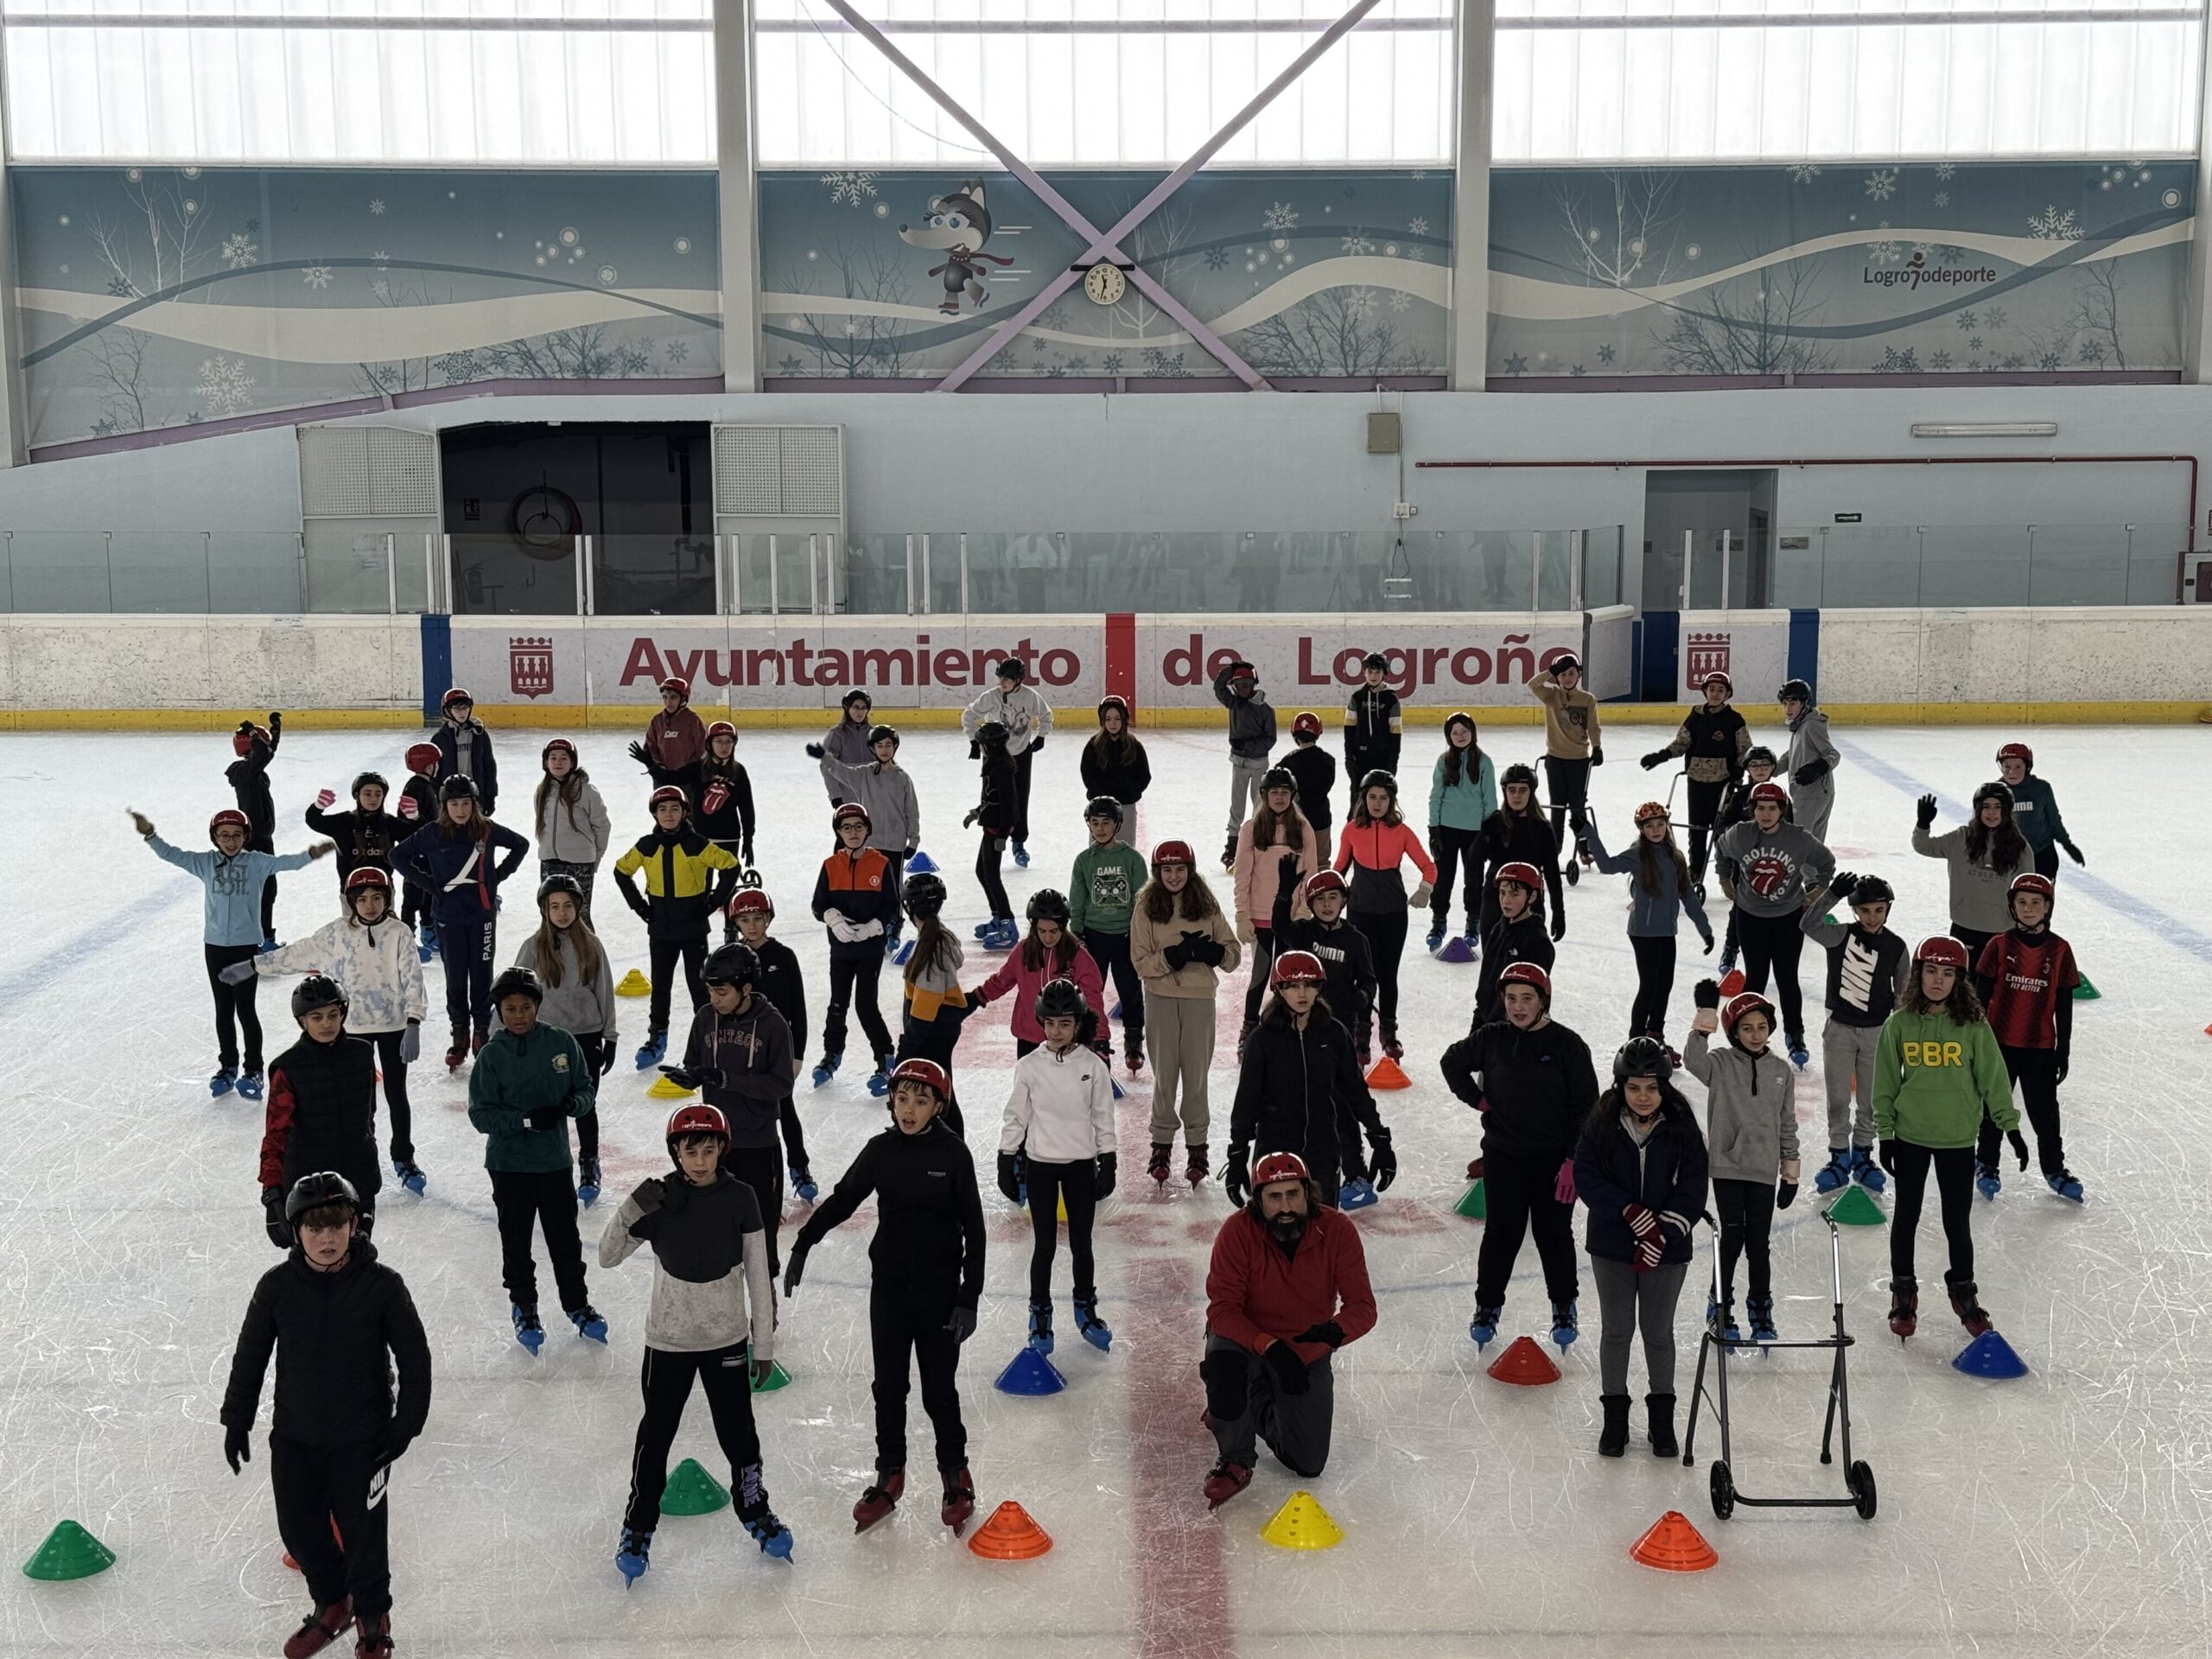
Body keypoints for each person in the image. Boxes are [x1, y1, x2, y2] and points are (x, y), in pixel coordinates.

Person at [220, 1171, 430, 1659]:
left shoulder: (382, 1286)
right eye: (315, 1227)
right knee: (299, 1530)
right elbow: (250, 1356)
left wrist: (404, 1427)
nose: (327, 1237)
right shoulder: (276, 1288)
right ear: (296, 1232)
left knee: (364, 1538)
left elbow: (415, 1360)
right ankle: (334, 1603)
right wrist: (237, 1419)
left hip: (362, 1440)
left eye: (337, 1225)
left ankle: (373, 1618)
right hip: (296, 1436)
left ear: (354, 1226)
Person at [785, 1058, 986, 1539]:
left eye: (921, 1101)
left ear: (939, 1106)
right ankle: (889, 1476)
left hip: (940, 1296)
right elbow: (843, 1199)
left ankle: (955, 1476)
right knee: (889, 1388)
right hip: (890, 1292)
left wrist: (969, 1298)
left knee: (939, 1391)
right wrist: (804, 1242)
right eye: (902, 1099)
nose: (909, 1109)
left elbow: (975, 1231)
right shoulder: (881, 1151)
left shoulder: (954, 1155)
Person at [599, 1102, 790, 1581]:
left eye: (708, 1150)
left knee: (740, 1436)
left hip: (726, 1340)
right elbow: (607, 1256)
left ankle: (755, 1510)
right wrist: (631, 1207)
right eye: (690, 1152)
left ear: (722, 1150)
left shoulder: (741, 1197)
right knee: (656, 1437)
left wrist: (763, 1345)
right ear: (676, 1154)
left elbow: (758, 1274)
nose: (700, 1161)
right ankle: (638, 1526)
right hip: (668, 1342)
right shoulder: (659, 1199)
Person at [1198, 1150, 1377, 1510]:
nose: (1285, 1207)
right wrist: (1269, 1346)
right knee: (1223, 1366)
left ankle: (1244, 1404)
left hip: (1305, 1347)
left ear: (1308, 1193)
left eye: (1293, 1194)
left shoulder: (1337, 1230)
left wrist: (1332, 1334)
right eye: (1274, 1197)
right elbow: (1223, 1309)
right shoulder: (1237, 1231)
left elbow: (1362, 1307)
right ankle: (1236, 1459)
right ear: (1258, 1200)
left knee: (1308, 1462)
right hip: (1246, 1339)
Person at [1440, 963, 1599, 1350]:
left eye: (1527, 998)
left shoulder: (1567, 1045)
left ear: (1543, 1001)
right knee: (1501, 1235)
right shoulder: (1492, 1037)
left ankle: (1564, 1306)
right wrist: (1478, 1100)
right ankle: (1487, 1307)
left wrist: (1572, 1160)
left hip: (1553, 1163)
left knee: (1554, 1235)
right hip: (1504, 1157)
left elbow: (1586, 1106)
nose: (1518, 1006)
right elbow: (1451, 1062)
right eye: (1511, 998)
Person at [242, 867, 429, 1193]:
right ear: (351, 901)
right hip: (352, 1028)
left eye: (377, 898)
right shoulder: (337, 934)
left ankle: (403, 1156)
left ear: (387, 899)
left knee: (397, 1094)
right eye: (362, 899)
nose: (369, 905)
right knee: (361, 1101)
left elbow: (413, 977)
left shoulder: (399, 933)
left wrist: (413, 1022)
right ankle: (363, 1152)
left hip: (393, 1026)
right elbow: (298, 953)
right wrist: (254, 965)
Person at [1872, 936, 2016, 1340]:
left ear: (1959, 980)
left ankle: (1964, 1293)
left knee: (1957, 1221)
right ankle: (1903, 1291)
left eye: (1948, 973)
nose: (1938, 980)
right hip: (1911, 1136)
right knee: (1907, 1216)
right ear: (1918, 975)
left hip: (1957, 1137)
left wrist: (2009, 1125)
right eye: (1931, 971)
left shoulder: (1973, 1026)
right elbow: (1884, 1083)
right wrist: (1886, 1135)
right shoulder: (1899, 1024)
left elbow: (1993, 1078)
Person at [133, 806, 330, 1100]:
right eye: (224, 835)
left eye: (236, 835)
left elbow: (285, 863)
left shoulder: (256, 863)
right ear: (215, 837)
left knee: (245, 1009)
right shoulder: (205, 863)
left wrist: (310, 854)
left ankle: (253, 1070)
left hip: (245, 947)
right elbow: (172, 854)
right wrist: (150, 835)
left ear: (245, 837)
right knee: (223, 1009)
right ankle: (227, 1066)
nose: (230, 841)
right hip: (214, 946)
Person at [1572, 1039, 1709, 1460]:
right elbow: (1587, 1176)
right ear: (1621, 1087)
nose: (1643, 1097)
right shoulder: (1601, 1124)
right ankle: (1614, 1420)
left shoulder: (1683, 1128)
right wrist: (1628, 1211)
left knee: (1658, 1332)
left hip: (1668, 1250)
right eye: (1633, 1088)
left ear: (1665, 1087)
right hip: (1612, 1246)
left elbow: (1693, 1188)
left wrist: (1661, 1233)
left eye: (1651, 1088)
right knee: (1616, 1331)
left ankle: (1661, 1422)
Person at [467, 966, 604, 1351]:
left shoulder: (560, 1043)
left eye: (525, 1007)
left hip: (554, 1162)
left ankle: (577, 1304)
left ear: (537, 1006)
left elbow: (585, 1089)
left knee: (566, 1241)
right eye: (510, 1009)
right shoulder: (492, 1056)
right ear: (499, 1011)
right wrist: (524, 1120)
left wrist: (574, 1104)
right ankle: (524, 1306)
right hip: (509, 1166)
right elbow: (481, 1115)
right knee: (517, 1242)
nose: (519, 1016)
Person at [996, 979, 1118, 1355]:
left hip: (1080, 1165)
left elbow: (1103, 1116)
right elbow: (1016, 1116)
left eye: (1065, 1023)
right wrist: (1006, 1158)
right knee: (1044, 1244)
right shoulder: (1029, 1067)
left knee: (1082, 1242)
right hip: (1041, 1168)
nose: (1056, 1031)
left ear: (1077, 1024)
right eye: (1050, 1023)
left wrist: (1108, 1159)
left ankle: (1086, 1309)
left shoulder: (1093, 1066)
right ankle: (1040, 1314)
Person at [661, 941, 798, 1274]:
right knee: (716, 1232)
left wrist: (726, 1079)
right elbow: (696, 1063)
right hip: (715, 1146)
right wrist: (690, 1077)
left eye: (721, 992)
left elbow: (782, 1084)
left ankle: (765, 1299)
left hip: (758, 1144)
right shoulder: (706, 1018)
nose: (714, 999)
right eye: (710, 991)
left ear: (746, 989)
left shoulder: (773, 1025)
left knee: (760, 1235)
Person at [1226, 951, 1393, 1211]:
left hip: (1323, 1150)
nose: (1302, 993)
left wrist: (1379, 1137)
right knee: (1279, 1229)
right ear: (1279, 990)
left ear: (1319, 988)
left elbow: (1356, 1092)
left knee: (1323, 1228)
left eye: (1309, 985)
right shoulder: (1262, 1040)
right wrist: (1238, 1153)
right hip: (1275, 1151)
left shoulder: (1334, 1034)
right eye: (1293, 986)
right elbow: (1247, 1100)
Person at [394, 776, 531, 1071]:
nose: (460, 810)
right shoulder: (433, 833)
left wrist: (497, 876)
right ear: (444, 806)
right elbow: (398, 856)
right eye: (454, 804)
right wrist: (427, 883)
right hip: (449, 919)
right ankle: (459, 1034)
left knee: (481, 975)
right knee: (455, 978)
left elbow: (521, 844)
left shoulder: (487, 830)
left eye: (466, 803)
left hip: (482, 917)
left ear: (474, 804)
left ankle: (482, 1030)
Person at [1684, 987, 1796, 1344]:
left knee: (1759, 1243)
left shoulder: (1781, 1071)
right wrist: (1705, 1017)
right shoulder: (1719, 1063)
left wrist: (1790, 1172)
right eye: (1747, 1028)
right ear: (1734, 1031)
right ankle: (1720, 1305)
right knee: (1732, 1238)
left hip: (1764, 1169)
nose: (1755, 1035)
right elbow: (1693, 1061)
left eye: (1761, 1027)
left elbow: (1787, 1122)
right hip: (1728, 1166)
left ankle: (1761, 1309)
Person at [1131, 840, 1241, 1186]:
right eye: (1167, 870)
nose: (1174, 876)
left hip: (1199, 1000)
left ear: (1190, 871)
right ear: (1157, 873)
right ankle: (1161, 1144)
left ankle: (1197, 1146)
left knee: (1196, 1078)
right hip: (1161, 1000)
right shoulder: (1146, 908)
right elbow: (1140, 962)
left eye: (1180, 869)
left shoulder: (1206, 905)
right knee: (1164, 1077)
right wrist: (1173, 957)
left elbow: (1233, 955)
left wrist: (1213, 954)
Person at [613, 784, 742, 1069]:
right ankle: (657, 1037)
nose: (668, 814)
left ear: (685, 813)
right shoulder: (647, 845)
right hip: (661, 929)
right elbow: (621, 871)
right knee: (660, 986)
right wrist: (640, 907)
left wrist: (713, 903)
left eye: (674, 809)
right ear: (655, 814)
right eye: (662, 809)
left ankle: (710, 1037)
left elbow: (731, 866)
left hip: (693, 928)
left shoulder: (697, 844)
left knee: (700, 987)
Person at [510, 873, 619, 1206]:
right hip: (546, 1039)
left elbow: (605, 991)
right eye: (554, 906)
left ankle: (589, 1162)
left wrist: (610, 1037)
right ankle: (546, 1165)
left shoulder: (592, 945)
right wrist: (501, 1037)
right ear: (544, 910)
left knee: (585, 1104)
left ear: (578, 907)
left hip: (586, 1037)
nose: (561, 913)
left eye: (568, 906)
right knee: (545, 1106)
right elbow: (513, 993)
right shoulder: (533, 947)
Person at [1974, 872, 2083, 1202]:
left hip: (2040, 1048)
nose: (2029, 908)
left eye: (2036, 902)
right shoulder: (1998, 946)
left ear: (2048, 907)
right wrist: (1976, 1045)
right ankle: (1987, 1162)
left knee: (2045, 1114)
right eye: (2022, 902)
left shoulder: (2060, 950)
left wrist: (2063, 1049)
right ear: (2012, 906)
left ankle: (2054, 1168)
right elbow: (1979, 1001)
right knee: (1994, 1110)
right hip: (1999, 1046)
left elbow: (2064, 1004)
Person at [1713, 781, 1835, 1070]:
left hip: (1788, 919)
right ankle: (1745, 1035)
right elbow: (1720, 848)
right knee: (1755, 979)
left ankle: (1795, 1036)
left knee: (1787, 979)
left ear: (1782, 810)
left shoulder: (1798, 838)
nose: (1766, 814)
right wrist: (1724, 878)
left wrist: (1818, 889)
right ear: (1752, 809)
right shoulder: (1741, 834)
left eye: (1772, 808)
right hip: (1750, 918)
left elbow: (1826, 862)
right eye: (1760, 808)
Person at [257, 974, 383, 1249]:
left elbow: (367, 1116)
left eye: (333, 1015)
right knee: (315, 1261)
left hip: (358, 1176)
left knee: (358, 1258)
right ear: (302, 1021)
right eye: (317, 1017)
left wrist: (367, 1155)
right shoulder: (288, 1068)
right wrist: (272, 1191)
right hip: (309, 1186)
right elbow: (276, 1133)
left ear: (342, 1014)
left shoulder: (362, 1054)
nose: (326, 1024)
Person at [1802, 872, 1909, 1195]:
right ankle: (1838, 1157)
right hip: (1839, 1031)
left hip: (1877, 1033)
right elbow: (1808, 925)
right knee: (1837, 1098)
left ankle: (1863, 1154)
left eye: (1879, 910)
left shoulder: (1896, 946)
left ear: (1888, 909)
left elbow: (1903, 994)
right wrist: (1831, 894)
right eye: (1864, 910)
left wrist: (1899, 1035)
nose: (1872, 917)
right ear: (1854, 911)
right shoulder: (1840, 936)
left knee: (1871, 1100)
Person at [1580, 803, 1714, 1052]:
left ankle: (1655, 1034)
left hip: (1667, 931)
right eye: (1649, 826)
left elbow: (1688, 895)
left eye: (1660, 824)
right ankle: (1635, 1039)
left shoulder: (1675, 857)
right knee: (1650, 986)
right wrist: (1588, 832)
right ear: (1642, 829)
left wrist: (1704, 929)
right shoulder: (1638, 855)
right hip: (1643, 932)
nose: (1656, 830)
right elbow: (1608, 866)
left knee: (1664, 986)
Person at [1332, 771, 1436, 1063]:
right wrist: (1326, 894)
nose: (1377, 803)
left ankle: (1389, 1033)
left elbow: (1429, 866)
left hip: (1393, 913)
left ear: (1392, 801)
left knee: (1387, 976)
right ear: (1363, 799)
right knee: (1362, 976)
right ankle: (1361, 1034)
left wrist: (1425, 890)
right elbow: (1339, 868)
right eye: (1372, 797)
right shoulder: (1351, 830)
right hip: (1360, 911)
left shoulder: (1402, 832)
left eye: (1383, 798)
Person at [728, 886, 816, 1192]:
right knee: (744, 1111)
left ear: (768, 919)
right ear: (736, 923)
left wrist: (797, 1054)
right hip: (743, 1049)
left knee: (785, 1109)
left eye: (758, 918)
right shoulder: (732, 959)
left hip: (778, 1051)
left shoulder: (784, 957)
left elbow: (798, 1010)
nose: (752, 925)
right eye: (745, 920)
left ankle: (799, 1167)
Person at [810, 801, 900, 1092]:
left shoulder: (881, 864)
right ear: (838, 832)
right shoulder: (830, 865)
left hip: (869, 950)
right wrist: (832, 918)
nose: (853, 832)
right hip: (841, 949)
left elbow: (892, 904)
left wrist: (875, 926)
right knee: (837, 1004)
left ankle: (885, 1057)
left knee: (865, 1004)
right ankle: (831, 1054)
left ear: (867, 830)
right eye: (846, 828)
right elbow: (818, 903)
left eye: (858, 827)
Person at [806, 724, 918, 949]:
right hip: (872, 843)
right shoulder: (863, 775)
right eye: (880, 746)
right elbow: (840, 770)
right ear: (872, 749)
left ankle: (893, 926)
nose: (884, 750)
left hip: (895, 844)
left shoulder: (902, 778)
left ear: (895, 748)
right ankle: (871, 921)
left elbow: (911, 811)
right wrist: (825, 757)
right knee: (872, 884)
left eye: (888, 745)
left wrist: (913, 840)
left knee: (893, 888)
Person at [1230, 766, 1319, 1044]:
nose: (1279, 798)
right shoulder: (1251, 829)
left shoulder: (1303, 829)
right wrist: (1242, 912)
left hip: (1290, 919)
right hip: (1260, 917)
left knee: (1288, 978)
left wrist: (1304, 909)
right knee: (1260, 975)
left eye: (1284, 792)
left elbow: (1310, 872)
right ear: (1264, 795)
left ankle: (1286, 1026)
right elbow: (1243, 874)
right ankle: (1249, 1027)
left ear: (1292, 795)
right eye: (1274, 792)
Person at [1639, 671, 1751, 887]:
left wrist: (1738, 771)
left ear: (1727, 694)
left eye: (1720, 690)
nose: (1715, 694)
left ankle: (1728, 875)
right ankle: (1695, 871)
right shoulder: (1695, 716)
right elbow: (1682, 743)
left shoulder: (1734, 719)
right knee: (1696, 829)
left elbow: (1745, 749)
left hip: (1723, 782)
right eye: (1711, 689)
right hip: (1696, 781)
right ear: (1705, 692)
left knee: (1722, 831)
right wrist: (1662, 755)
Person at [973, 889, 1109, 1058]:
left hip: (1065, 1039)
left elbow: (1094, 1000)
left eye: (1054, 931)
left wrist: (1100, 1040)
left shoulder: (1078, 956)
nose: (1048, 938)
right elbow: (1002, 981)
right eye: (1042, 931)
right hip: (1029, 1037)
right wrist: (976, 997)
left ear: (1063, 927)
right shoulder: (1023, 951)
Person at [1069, 795, 1149, 1074]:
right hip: (1094, 937)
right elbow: (1077, 899)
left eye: (1105, 823)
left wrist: (1140, 933)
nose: (1100, 829)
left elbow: (1142, 900)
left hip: (1126, 936)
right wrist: (1076, 933)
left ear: (1117, 825)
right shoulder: (1084, 860)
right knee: (1092, 992)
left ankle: (1134, 1041)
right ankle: (1090, 1038)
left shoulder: (1132, 859)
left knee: (1130, 991)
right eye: (1094, 823)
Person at [1268, 866, 1376, 1071]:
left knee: (1340, 1075)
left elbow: (1368, 981)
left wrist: (1363, 996)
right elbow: (1279, 926)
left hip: (1341, 1020)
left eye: (1333, 897)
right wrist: (1284, 895)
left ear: (1343, 900)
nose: (1326, 904)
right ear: (1311, 904)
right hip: (1304, 1017)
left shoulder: (1356, 941)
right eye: (1319, 898)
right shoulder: (1304, 932)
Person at [1913, 781, 2032, 963]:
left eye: (1998, 807)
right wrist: (1923, 824)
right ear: (1978, 810)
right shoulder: (1961, 838)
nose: (1991, 812)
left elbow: (2028, 890)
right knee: (1963, 979)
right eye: (1986, 806)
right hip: (1964, 927)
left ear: (2007, 811)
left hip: (2002, 930)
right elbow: (1923, 846)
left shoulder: (2020, 848)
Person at [893, 872, 973, 1128]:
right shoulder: (939, 937)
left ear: (908, 908)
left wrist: (905, 1051)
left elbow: (925, 1007)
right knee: (939, 1091)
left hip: (930, 1033)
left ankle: (952, 1145)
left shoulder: (931, 950)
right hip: (939, 1030)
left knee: (937, 1095)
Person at [961, 658, 1053, 866]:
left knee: (1019, 798)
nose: (1002, 683)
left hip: (1021, 755)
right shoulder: (991, 697)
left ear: (1018, 680)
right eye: (1000, 678)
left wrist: (1041, 736)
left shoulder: (1030, 697)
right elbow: (969, 715)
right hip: (994, 755)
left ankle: (1018, 842)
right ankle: (991, 836)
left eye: (1007, 679)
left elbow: (1046, 715)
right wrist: (974, 741)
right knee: (994, 796)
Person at [1711, 745, 1785, 978]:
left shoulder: (1782, 796)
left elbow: (1791, 831)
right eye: (1754, 765)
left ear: (1773, 768)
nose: (1760, 769)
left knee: (1773, 912)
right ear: (1747, 769)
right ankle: (1730, 950)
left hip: (1774, 865)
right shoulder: (1741, 796)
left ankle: (1768, 954)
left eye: (1765, 765)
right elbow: (1723, 830)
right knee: (1740, 910)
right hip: (1743, 866)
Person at [1426, 711, 1497, 951]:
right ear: (1449, 736)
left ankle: (1473, 922)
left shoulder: (1484, 762)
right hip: (1446, 829)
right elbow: (1436, 795)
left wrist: (1488, 832)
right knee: (1443, 878)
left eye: (1464, 731)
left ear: (1472, 733)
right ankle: (1438, 921)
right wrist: (1434, 828)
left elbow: (1490, 799)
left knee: (1474, 879)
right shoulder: (1443, 761)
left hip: (1475, 831)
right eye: (1454, 732)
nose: (1460, 736)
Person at [1529, 654, 1602, 886]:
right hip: (1555, 759)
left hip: (1579, 760)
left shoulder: (1587, 699)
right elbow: (1533, 685)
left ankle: (1584, 846)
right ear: (1557, 677)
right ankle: (1555, 847)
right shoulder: (1551, 695)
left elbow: (1593, 726)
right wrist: (1550, 672)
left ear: (1578, 674)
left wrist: (1597, 747)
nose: (1567, 678)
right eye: (1563, 674)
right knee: (1558, 806)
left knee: (1577, 806)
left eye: (1571, 673)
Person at [1476, 763, 1565, 941]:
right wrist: (1483, 837)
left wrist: (1558, 913)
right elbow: (1474, 860)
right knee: (1493, 955)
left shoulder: (1542, 829)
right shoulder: (1495, 823)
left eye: (1523, 790)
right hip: (1496, 900)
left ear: (1531, 793)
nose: (1517, 795)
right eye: (1512, 790)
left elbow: (1553, 874)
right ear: (1505, 792)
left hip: (1530, 901)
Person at [533, 737, 611, 923]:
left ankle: (585, 944)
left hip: (580, 863)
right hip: (549, 862)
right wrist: (546, 849)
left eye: (564, 758)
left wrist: (595, 858)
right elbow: (542, 824)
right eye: (553, 758)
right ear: (546, 763)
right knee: (551, 916)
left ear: (573, 762)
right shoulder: (542, 791)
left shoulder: (587, 791)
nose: (558, 762)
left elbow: (603, 826)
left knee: (580, 917)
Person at [1471, 861, 1555, 1031]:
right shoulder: (1498, 930)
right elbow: (1486, 980)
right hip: (1486, 1023)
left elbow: (1534, 997)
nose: (1506, 900)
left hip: (1514, 1028)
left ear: (1532, 897)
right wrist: (1479, 1019)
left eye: (1514, 894)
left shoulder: (1537, 941)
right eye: (1502, 893)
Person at [1213, 658, 1278, 870]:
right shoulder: (1234, 704)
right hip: (1239, 764)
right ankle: (1232, 846)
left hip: (1258, 764)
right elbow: (1219, 688)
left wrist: (1246, 745)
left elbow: (1270, 739)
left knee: (1259, 805)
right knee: (1237, 805)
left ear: (1253, 685)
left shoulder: (1265, 710)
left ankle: (1258, 842)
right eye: (1238, 685)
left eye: (1246, 685)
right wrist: (1230, 669)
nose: (1242, 689)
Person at [227, 713, 284, 946]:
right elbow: (264, 754)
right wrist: (253, 733)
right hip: (255, 841)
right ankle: (261, 941)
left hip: (262, 838)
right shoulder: (244, 772)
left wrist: (275, 731)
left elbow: (266, 752)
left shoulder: (252, 770)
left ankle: (264, 938)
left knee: (267, 891)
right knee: (263, 891)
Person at [305, 772, 407, 900]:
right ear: (357, 795)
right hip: (351, 893)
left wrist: (414, 817)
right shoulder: (344, 822)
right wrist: (318, 807)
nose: (373, 798)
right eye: (367, 793)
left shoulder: (390, 823)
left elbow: (415, 837)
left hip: (383, 892)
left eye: (378, 794)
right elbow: (314, 821)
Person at [964, 721, 1019, 949]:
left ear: (990, 745)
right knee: (982, 872)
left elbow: (1008, 804)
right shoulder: (993, 765)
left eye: (982, 743)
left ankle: (1008, 923)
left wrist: (1003, 835)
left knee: (992, 876)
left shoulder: (1002, 769)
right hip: (991, 827)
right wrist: (978, 812)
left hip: (997, 830)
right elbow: (991, 798)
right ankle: (997, 916)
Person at [1997, 742, 2085, 881]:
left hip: (2042, 854)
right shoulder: (1996, 792)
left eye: (2018, 767)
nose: (2012, 772)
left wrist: (2067, 845)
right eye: (2007, 767)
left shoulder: (2041, 789)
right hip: (2010, 856)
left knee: (2042, 893)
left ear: (2027, 767)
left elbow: (2054, 819)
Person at [692, 722, 758, 888]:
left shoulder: (739, 771)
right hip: (702, 836)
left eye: (729, 742)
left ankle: (725, 900)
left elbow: (746, 808)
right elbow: (671, 777)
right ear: (710, 744)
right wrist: (651, 764)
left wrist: (748, 839)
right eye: (719, 741)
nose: (724, 746)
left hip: (729, 836)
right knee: (702, 886)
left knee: (727, 885)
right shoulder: (698, 768)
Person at [1341, 651, 1402, 818]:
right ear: (1364, 673)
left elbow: (1396, 734)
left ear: (1384, 673)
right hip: (1360, 759)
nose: (1373, 676)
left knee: (1381, 800)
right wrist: (1349, 757)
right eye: (1370, 671)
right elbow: (1349, 730)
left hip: (1383, 758)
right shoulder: (1357, 698)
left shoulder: (1391, 699)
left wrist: (1393, 763)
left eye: (1377, 672)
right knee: (1357, 802)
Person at [1779, 678, 1840, 844]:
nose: (1787, 709)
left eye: (1793, 703)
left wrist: (1817, 768)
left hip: (1811, 794)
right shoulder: (1800, 724)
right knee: (1813, 845)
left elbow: (1833, 754)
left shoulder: (1811, 725)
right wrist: (1771, 768)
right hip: (1813, 793)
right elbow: (1794, 753)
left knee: (1799, 843)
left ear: (1804, 703)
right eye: (1785, 704)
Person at [397, 742, 442, 959]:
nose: (438, 767)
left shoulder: (425, 786)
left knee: (427, 894)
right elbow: (407, 823)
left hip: (427, 851)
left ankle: (428, 931)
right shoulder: (416, 788)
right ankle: (407, 942)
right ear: (427, 765)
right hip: (417, 853)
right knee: (413, 898)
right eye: (435, 763)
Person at [1279, 711, 1338, 868]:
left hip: (1295, 820)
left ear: (1295, 736)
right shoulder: (1328, 761)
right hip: (1321, 818)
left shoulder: (1287, 763)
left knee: (1295, 864)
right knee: (1321, 862)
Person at [431, 687, 498, 816]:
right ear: (448, 711)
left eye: (465, 708)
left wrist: (491, 797)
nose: (462, 713)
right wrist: (437, 798)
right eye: (456, 709)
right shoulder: (439, 739)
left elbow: (489, 767)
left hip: (475, 796)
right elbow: (435, 773)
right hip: (450, 798)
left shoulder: (480, 735)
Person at [1080, 695, 1152, 807]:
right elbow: (1088, 775)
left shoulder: (1134, 746)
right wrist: (1101, 793)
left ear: (1124, 720)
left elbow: (1143, 776)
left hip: (1127, 805)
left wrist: (1128, 793)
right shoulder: (1093, 746)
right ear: (1102, 721)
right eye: (1108, 719)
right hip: (1100, 805)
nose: (1112, 723)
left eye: (1117, 719)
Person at [634, 675, 708, 783]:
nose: (668, 702)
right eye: (665, 697)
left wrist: (690, 771)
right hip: (662, 777)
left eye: (673, 697)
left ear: (683, 699)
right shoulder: (657, 721)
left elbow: (702, 750)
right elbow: (651, 747)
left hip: (687, 779)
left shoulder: (693, 721)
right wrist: (657, 766)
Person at [818, 689, 876, 806]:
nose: (860, 712)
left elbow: (886, 765)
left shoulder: (875, 735)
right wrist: (835, 795)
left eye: (863, 708)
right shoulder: (837, 735)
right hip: (847, 799)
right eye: (856, 707)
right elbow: (827, 766)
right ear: (847, 708)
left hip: (874, 797)